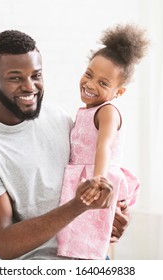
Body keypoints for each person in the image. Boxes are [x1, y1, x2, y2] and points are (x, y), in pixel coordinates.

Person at [0, 30, 130, 260]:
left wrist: (113, 213)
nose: (30, 87)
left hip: (93, 257)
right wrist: (79, 206)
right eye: (15, 77)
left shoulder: (58, 118)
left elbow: (93, 169)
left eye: (36, 75)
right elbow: (3, 243)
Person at [57, 23, 150, 259]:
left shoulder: (108, 111)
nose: (90, 84)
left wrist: (97, 179)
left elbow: (104, 145)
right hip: (83, 178)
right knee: (75, 242)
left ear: (119, 92)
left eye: (103, 83)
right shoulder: (88, 110)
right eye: (89, 74)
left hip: (96, 179)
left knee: (91, 246)